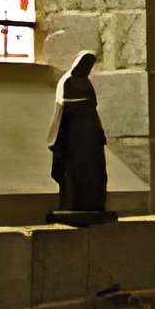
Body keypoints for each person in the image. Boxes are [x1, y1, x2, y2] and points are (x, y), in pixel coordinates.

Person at [47, 51, 110, 219]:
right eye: (85, 64)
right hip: (72, 137)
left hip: (90, 139)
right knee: (73, 172)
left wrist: (99, 133)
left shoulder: (87, 84)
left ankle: (94, 203)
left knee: (95, 171)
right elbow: (60, 112)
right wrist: (57, 140)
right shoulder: (66, 82)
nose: (87, 68)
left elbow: (93, 111)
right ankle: (71, 203)